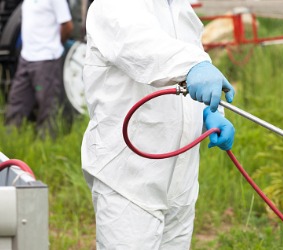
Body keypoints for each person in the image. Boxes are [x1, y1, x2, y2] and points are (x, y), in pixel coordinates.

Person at [81, 0, 236, 249]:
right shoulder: (112, 5)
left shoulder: (179, 8)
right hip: (129, 182)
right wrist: (194, 66)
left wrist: (210, 111)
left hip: (180, 184)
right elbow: (144, 47)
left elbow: (194, 68)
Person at [4, 0, 73, 137]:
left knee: (48, 108)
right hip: (26, 57)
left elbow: (68, 26)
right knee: (16, 103)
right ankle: (10, 144)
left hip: (46, 59)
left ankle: (46, 147)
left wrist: (53, 45)